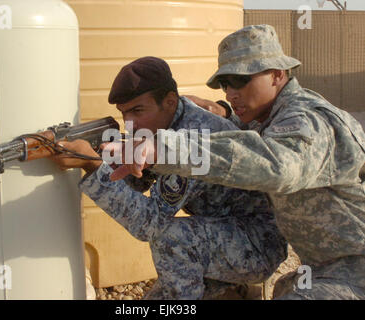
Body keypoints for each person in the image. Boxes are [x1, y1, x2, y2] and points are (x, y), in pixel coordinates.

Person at [109, 25, 365, 300]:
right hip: (321, 269)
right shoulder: (269, 117)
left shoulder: (308, 120)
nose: (231, 92)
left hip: (354, 271)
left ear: (278, 74)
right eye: (225, 84)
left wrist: (164, 149)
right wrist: (224, 112)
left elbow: (277, 165)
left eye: (240, 80)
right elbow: (245, 135)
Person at [52, 56, 288, 299]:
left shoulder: (192, 138)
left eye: (137, 111)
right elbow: (136, 180)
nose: (130, 124)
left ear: (169, 102)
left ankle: (236, 286)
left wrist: (92, 165)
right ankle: (234, 291)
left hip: (256, 244)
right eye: (124, 114)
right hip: (217, 236)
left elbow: (149, 224)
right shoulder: (163, 125)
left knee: (172, 239)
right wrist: (107, 157)